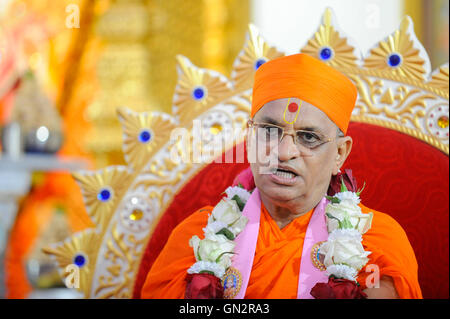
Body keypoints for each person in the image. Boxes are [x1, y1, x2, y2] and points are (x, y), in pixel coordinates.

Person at [141, 53, 422, 299]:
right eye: (269, 131)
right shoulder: (195, 238)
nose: (284, 152)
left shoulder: (376, 245)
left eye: (308, 137)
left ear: (339, 153)